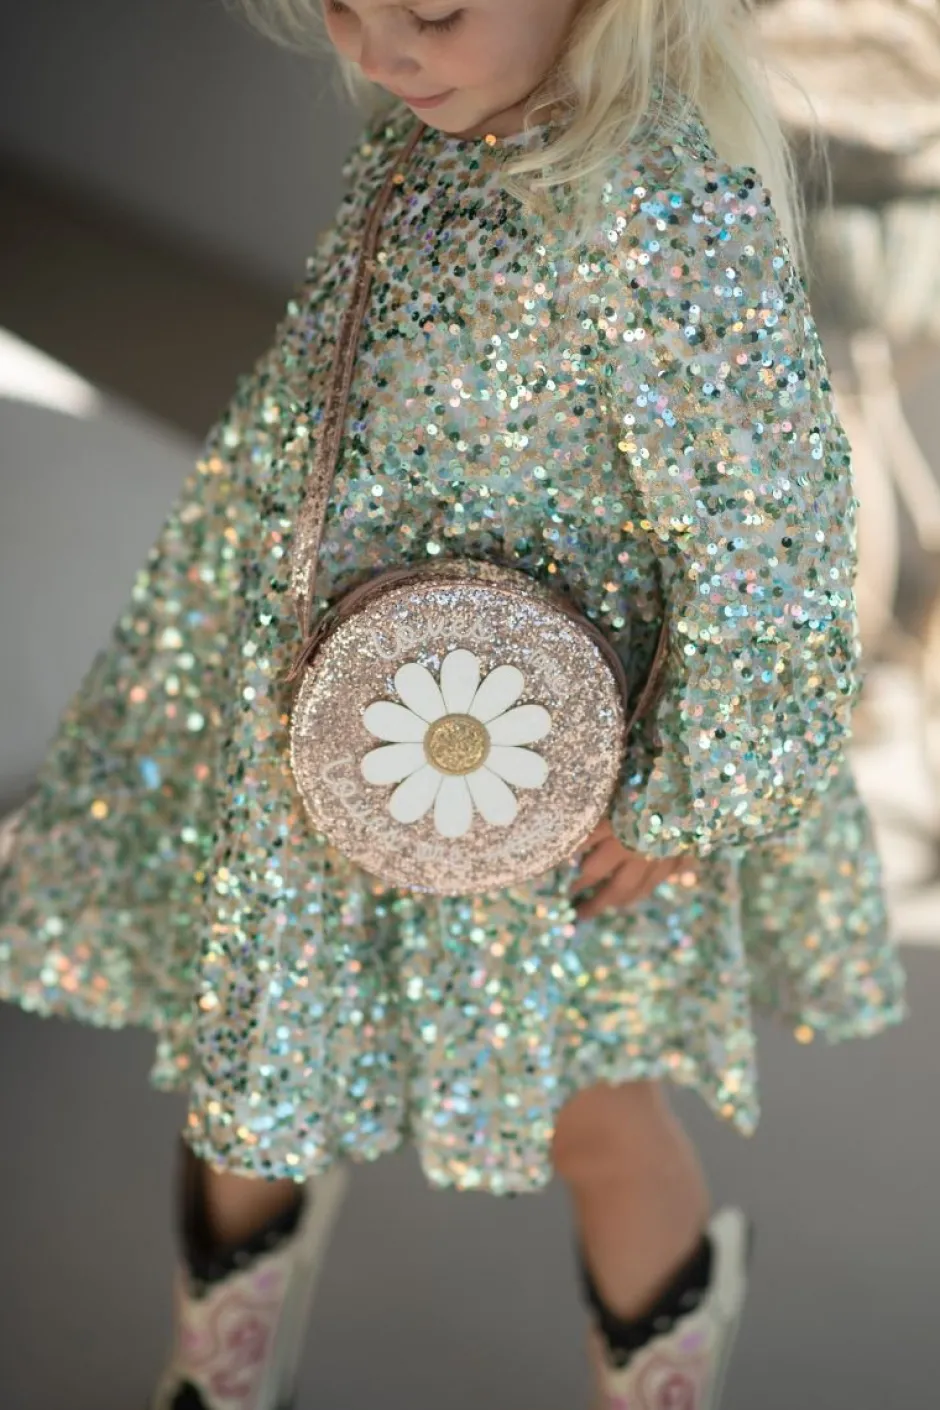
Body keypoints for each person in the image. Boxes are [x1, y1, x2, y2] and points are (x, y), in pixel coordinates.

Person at [0, 0, 909, 1405]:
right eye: (345, 6)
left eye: (431, 10)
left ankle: (658, 1377)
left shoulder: (663, 202)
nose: (381, 53)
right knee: (258, 1071)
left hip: (548, 782)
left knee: (594, 1111)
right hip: (333, 738)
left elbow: (770, 527)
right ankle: (218, 1373)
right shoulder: (432, 136)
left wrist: (693, 795)